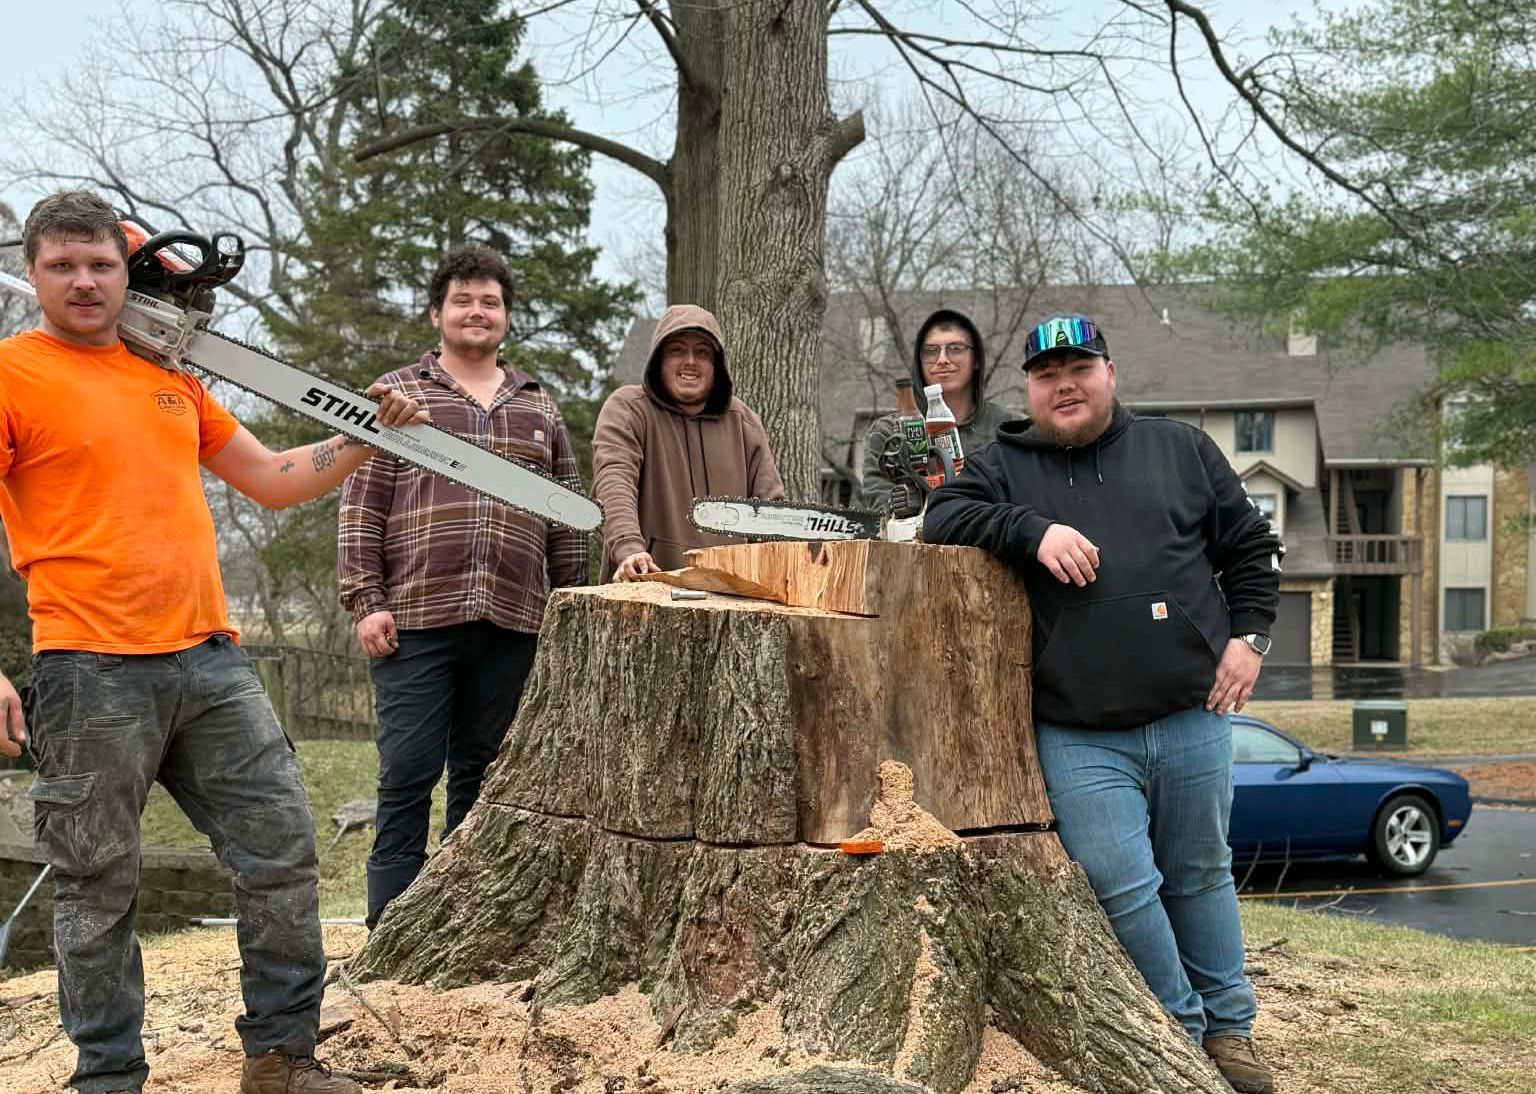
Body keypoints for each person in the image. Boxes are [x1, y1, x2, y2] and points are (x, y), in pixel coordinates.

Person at [0, 190, 428, 1094]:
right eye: (63, 266)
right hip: (88, 665)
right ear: (33, 273)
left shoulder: (173, 379)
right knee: (97, 880)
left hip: (211, 659)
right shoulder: (13, 373)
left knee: (280, 848)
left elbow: (271, 479)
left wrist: (360, 437)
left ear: (127, 272)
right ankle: (107, 1076)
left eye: (100, 265)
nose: (84, 282)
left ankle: (281, 1055)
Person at [923, 313, 1281, 1094]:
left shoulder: (1179, 449)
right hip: (1079, 734)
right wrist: (1030, 528)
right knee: (1122, 886)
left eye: (1079, 367)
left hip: (1191, 714)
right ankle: (1180, 1033)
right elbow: (939, 518)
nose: (1065, 383)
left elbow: (1251, 550)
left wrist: (1248, 640)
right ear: (1030, 388)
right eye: (1048, 373)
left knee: (1200, 875)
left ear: (1109, 374)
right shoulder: (1005, 465)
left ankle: (1232, 1033)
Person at [338, 246, 588, 930]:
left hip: (514, 619)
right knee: (408, 772)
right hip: (416, 615)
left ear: (505, 317)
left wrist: (572, 609)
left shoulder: (539, 405)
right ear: (437, 312)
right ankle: (388, 926)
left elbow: (568, 514)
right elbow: (361, 503)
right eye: (463, 301)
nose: (476, 312)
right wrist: (366, 599)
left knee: (484, 775)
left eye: (489, 302)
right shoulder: (399, 394)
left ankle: (464, 923)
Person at [592, 304, 784, 580]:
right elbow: (614, 479)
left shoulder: (742, 421)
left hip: (733, 594)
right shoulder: (629, 408)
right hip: (648, 585)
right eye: (677, 350)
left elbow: (771, 505)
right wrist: (628, 547)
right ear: (659, 359)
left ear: (716, 365)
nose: (690, 361)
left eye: (702, 352)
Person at [859, 308, 1018, 513]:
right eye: (931, 351)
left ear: (976, 359)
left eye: (956, 348)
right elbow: (877, 499)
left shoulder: (1009, 429)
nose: (942, 359)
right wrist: (899, 505)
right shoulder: (889, 433)